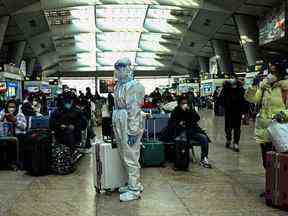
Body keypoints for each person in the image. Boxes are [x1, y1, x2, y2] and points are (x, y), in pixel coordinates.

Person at [112, 58, 145, 202]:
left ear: (128, 68)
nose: (118, 70)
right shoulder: (118, 85)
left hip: (129, 122)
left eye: (121, 67)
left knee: (131, 156)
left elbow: (134, 110)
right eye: (117, 67)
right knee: (124, 154)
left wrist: (132, 131)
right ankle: (131, 183)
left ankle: (135, 189)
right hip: (119, 120)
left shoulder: (135, 86)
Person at [245, 62, 288, 170]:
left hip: (281, 129)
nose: (271, 75)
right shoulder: (264, 87)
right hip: (264, 130)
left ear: (281, 73)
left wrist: (283, 115)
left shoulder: (285, 88)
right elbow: (253, 99)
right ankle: (271, 185)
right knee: (267, 162)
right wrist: (253, 87)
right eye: (270, 72)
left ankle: (280, 185)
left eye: (274, 72)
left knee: (282, 163)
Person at [167, 96, 212, 168]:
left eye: (186, 103)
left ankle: (204, 158)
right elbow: (171, 123)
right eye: (182, 103)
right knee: (183, 140)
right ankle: (180, 160)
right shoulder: (176, 111)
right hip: (180, 133)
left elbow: (197, 118)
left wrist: (190, 110)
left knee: (204, 138)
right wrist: (179, 123)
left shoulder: (190, 110)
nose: (184, 105)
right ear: (179, 104)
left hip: (192, 132)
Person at [0, 99, 27, 168]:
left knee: (17, 140)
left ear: (16, 107)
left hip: (18, 134)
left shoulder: (20, 114)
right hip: (5, 134)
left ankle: (17, 162)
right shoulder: (2, 113)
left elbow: (24, 127)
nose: (11, 109)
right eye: (9, 107)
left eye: (13, 107)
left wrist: (15, 121)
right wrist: (2, 120)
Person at [222, 76, 245, 152]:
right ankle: (228, 139)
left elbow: (244, 100)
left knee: (237, 128)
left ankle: (236, 143)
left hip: (237, 112)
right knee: (228, 128)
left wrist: (244, 111)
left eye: (233, 78)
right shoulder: (226, 89)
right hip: (228, 112)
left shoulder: (240, 89)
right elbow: (222, 99)